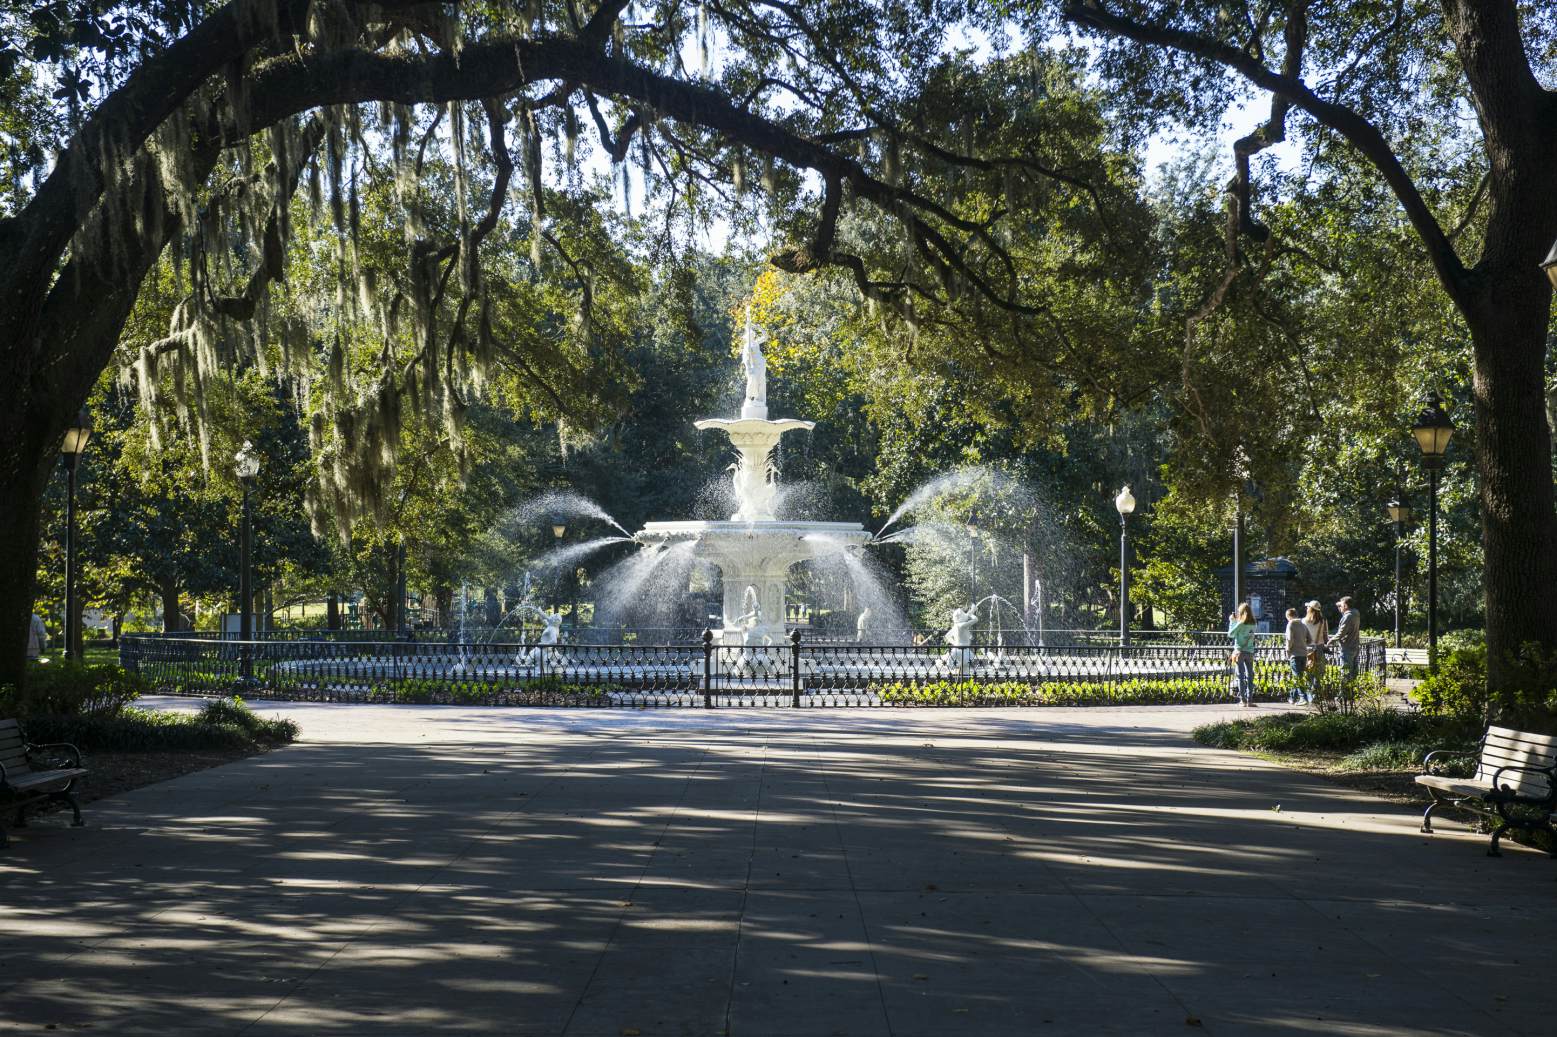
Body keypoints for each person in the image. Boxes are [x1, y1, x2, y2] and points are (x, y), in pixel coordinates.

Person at [1330, 595, 1361, 706]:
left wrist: (1330, 641)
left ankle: (1342, 696)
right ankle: (1352, 694)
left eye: (1342, 605)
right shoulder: (1356, 613)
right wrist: (1340, 605)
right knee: (1353, 672)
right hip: (1355, 646)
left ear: (1346, 605)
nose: (1340, 607)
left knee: (1345, 672)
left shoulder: (1347, 617)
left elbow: (1341, 632)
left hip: (1347, 647)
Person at [1228, 602, 1258, 707]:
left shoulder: (1240, 624)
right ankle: (1250, 700)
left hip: (1239, 652)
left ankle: (1243, 700)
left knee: (1240, 677)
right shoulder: (1254, 624)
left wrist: (1232, 621)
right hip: (1250, 652)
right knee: (1250, 676)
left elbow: (1230, 634)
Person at [1302, 600, 1329, 705]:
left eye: (1307, 607)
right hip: (1319, 648)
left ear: (1310, 609)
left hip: (1307, 649)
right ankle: (1316, 696)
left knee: (1309, 673)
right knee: (1318, 674)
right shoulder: (1323, 621)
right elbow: (1326, 636)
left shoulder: (1303, 621)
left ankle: (1309, 696)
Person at [1283, 607, 1311, 705]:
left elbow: (1289, 639)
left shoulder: (1290, 624)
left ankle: (1303, 698)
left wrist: (1288, 649)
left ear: (1288, 616)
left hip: (1294, 654)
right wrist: (1303, 643)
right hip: (1304, 654)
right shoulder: (1303, 625)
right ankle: (1292, 697)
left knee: (1297, 677)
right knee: (1299, 676)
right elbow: (1310, 639)